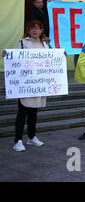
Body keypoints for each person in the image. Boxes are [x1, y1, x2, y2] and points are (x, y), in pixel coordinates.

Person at [13, 20, 50, 152]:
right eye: (32, 28)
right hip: (25, 83)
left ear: (41, 30)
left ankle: (31, 136)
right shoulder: (23, 43)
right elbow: (15, 60)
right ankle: (17, 140)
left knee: (34, 111)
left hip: (38, 83)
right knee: (22, 112)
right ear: (28, 31)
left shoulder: (45, 45)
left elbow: (50, 61)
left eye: (37, 28)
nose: (35, 30)